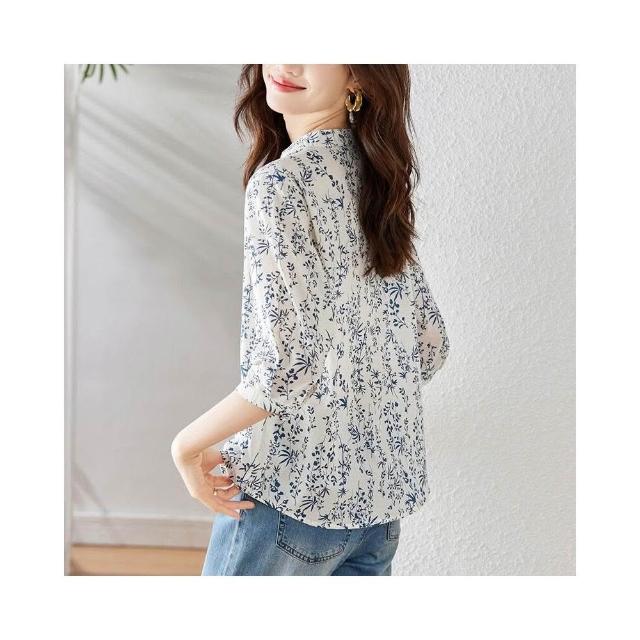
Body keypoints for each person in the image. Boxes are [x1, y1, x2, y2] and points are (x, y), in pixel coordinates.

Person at [171, 64, 450, 576]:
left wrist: (187, 446)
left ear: (359, 78)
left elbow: (288, 368)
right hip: (379, 510)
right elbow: (429, 346)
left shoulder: (280, 184)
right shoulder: (376, 180)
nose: (288, 62)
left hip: (288, 501)